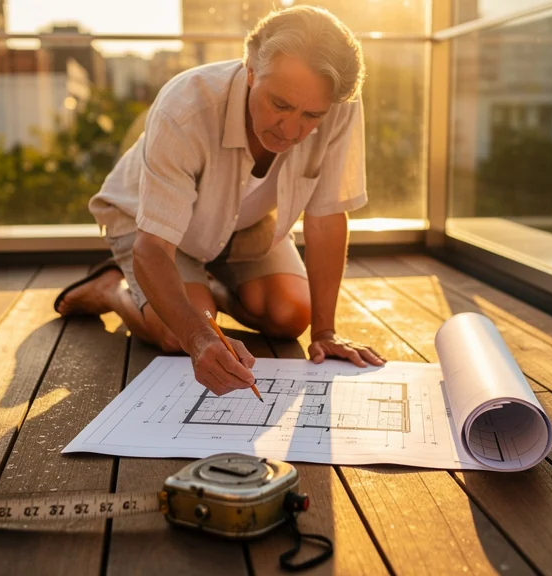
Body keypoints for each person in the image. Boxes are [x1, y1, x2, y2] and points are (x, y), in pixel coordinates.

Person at [54, 6, 385, 397]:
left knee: (291, 315)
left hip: (246, 225)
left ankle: (205, 290)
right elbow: (154, 247)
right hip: (153, 231)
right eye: (280, 104)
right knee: (175, 334)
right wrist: (197, 335)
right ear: (249, 70)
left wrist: (326, 331)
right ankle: (112, 288)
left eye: (311, 115)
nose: (292, 130)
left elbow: (327, 216)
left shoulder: (338, 101)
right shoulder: (185, 106)